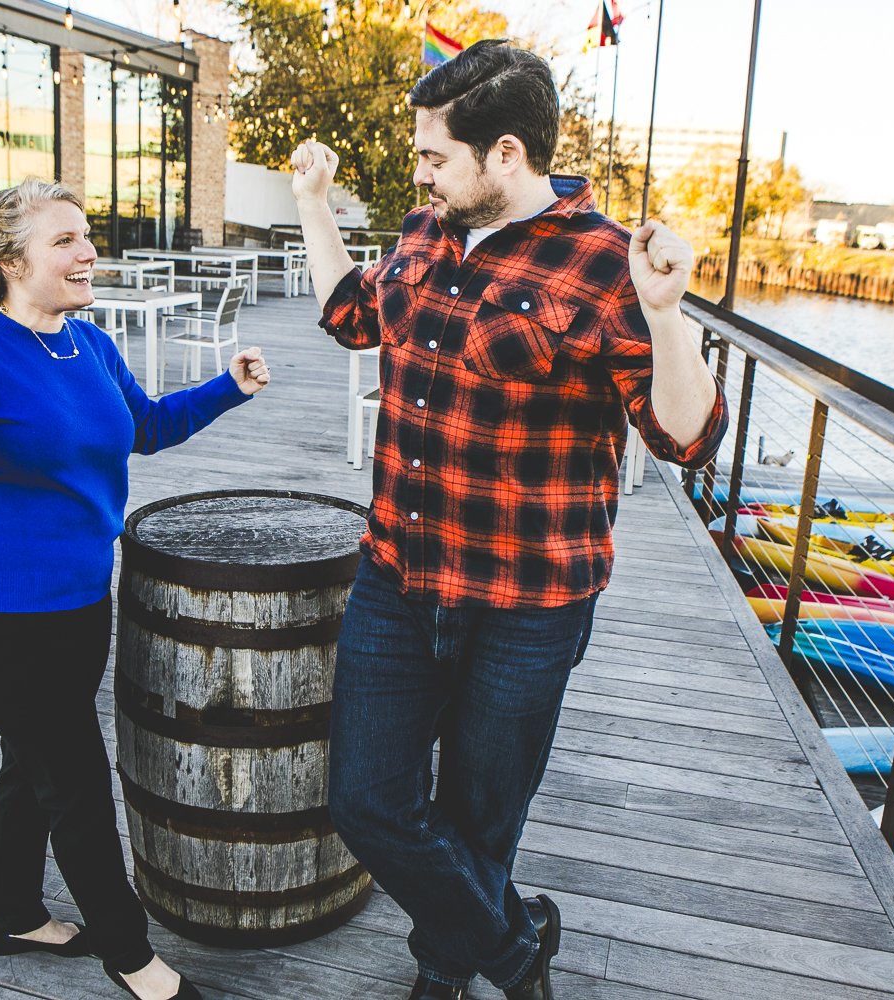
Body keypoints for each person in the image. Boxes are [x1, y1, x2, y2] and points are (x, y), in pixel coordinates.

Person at [290, 40, 728, 1000]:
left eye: (435, 157)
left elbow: (686, 440)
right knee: (366, 805)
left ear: (507, 156)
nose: (419, 174)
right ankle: (518, 949)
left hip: (528, 605)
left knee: (482, 820)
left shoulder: (607, 262)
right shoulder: (423, 230)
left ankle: (445, 968)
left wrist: (665, 317)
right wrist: (315, 206)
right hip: (396, 579)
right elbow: (352, 317)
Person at [0, 178, 270, 1000]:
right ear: (12, 261)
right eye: (66, 241)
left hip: (80, 598)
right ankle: (130, 955)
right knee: (75, 777)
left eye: (87, 237)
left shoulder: (88, 344)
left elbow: (144, 427)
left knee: (33, 756)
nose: (89, 253)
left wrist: (228, 387)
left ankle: (11, 910)